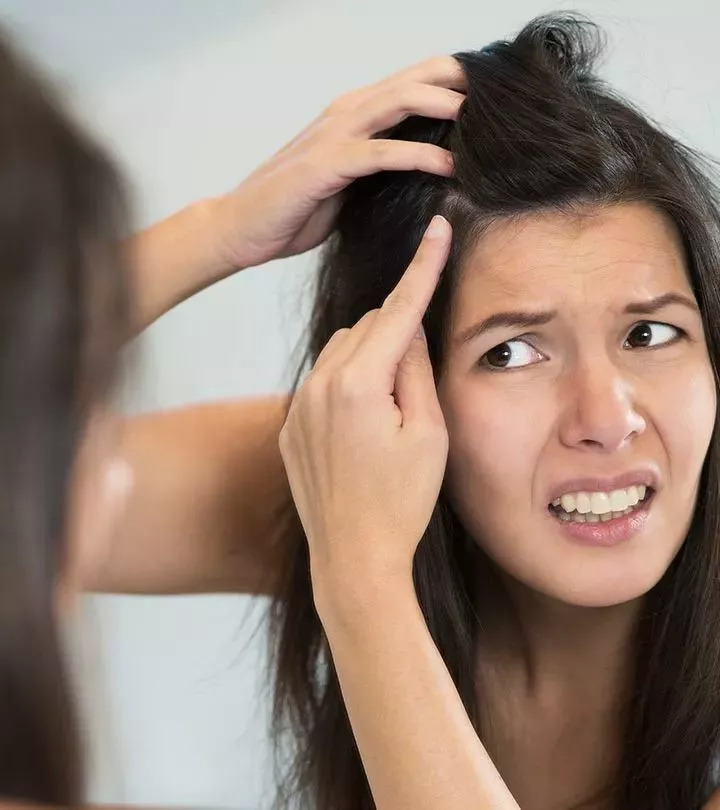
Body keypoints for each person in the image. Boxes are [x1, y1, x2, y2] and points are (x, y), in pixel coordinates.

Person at [3, 11, 720, 810]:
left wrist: (364, 586)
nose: (607, 418)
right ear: (400, 379)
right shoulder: (343, 487)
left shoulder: (356, 544)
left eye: (650, 333)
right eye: (512, 352)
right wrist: (218, 231)